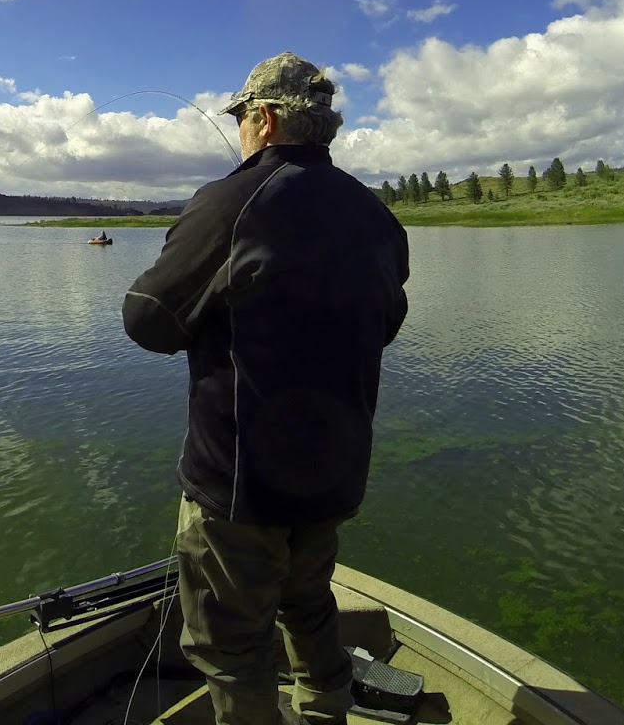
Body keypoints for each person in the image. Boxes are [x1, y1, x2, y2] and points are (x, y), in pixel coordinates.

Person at [123, 52, 409, 725]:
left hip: (238, 488)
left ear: (266, 118)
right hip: (333, 477)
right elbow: (384, 326)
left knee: (230, 649)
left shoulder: (227, 202)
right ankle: (325, 716)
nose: (242, 132)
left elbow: (147, 321)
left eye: (243, 118)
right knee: (309, 606)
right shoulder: (376, 217)